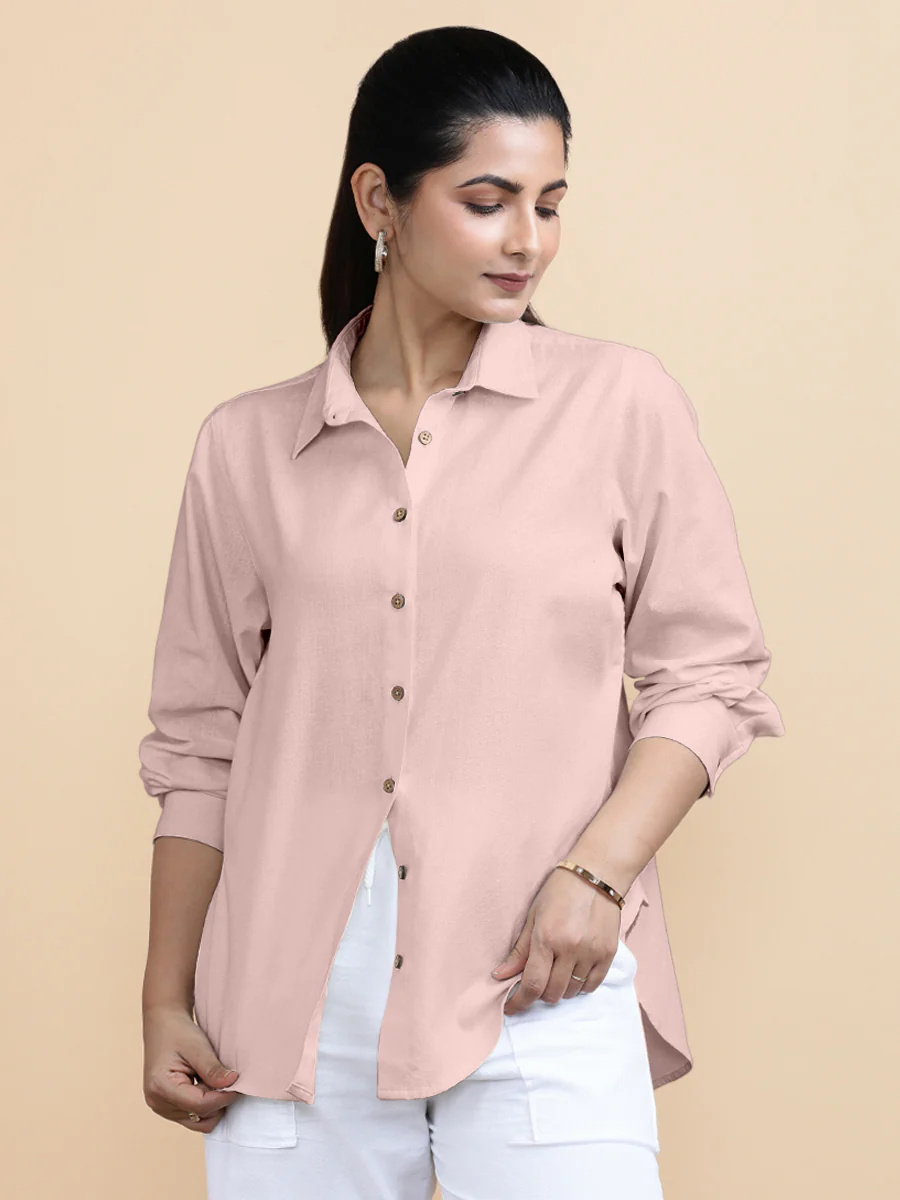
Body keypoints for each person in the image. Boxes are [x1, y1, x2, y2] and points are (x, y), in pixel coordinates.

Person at [138, 25, 785, 1200]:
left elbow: (712, 676)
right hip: (286, 1013)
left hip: (539, 982)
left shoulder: (618, 403)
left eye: (551, 203)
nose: (528, 239)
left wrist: (598, 875)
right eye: (488, 202)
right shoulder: (245, 447)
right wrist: (165, 997)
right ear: (378, 201)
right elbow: (199, 742)